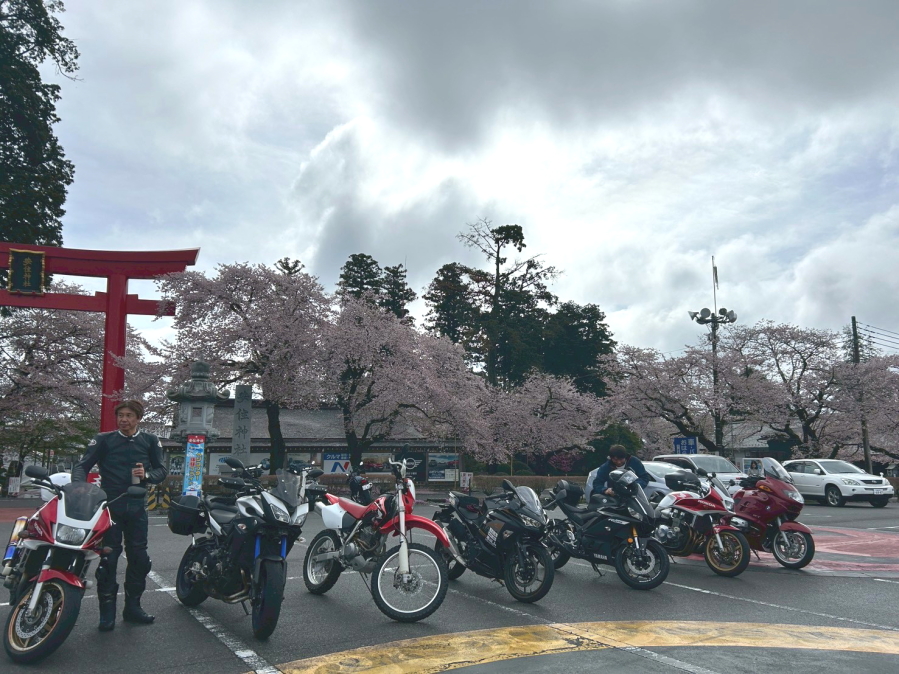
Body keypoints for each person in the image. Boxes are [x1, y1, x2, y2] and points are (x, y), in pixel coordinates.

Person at [73, 400, 168, 631]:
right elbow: (82, 465)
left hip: (137, 506)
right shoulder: (104, 439)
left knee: (139, 558)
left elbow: (161, 470)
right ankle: (107, 614)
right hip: (110, 506)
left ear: (138, 418)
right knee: (108, 560)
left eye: (129, 415)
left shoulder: (150, 440)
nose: (124, 419)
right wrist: (77, 488)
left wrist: (147, 475)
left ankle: (133, 608)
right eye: (120, 415)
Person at [585, 445, 651, 502]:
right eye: (615, 459)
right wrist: (605, 490)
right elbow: (597, 483)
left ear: (625, 457)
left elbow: (645, 477)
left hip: (634, 496)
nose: (619, 462)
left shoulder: (635, 462)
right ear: (611, 458)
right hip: (614, 497)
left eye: (621, 459)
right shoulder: (606, 467)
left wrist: (634, 486)